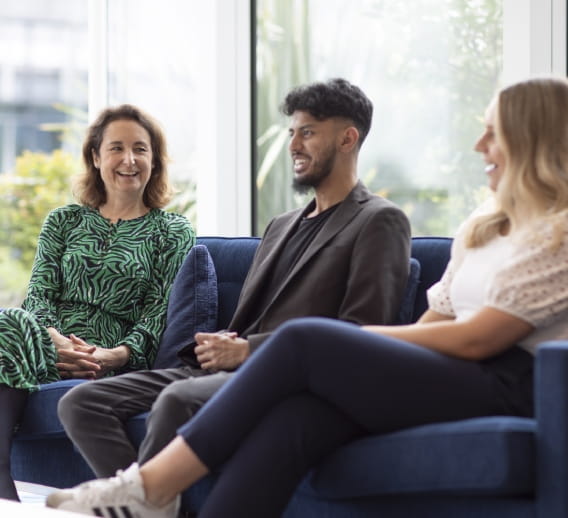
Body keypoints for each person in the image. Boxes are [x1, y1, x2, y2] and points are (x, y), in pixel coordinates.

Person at [47, 76, 568, 518]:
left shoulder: (558, 235)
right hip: (416, 370)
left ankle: (151, 487)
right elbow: (436, 321)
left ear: (533, 139)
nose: (479, 146)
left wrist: (324, 349)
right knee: (296, 422)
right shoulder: (484, 228)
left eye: (493, 133)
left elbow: (477, 339)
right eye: (291, 133)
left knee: (302, 343)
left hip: (505, 379)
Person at [56, 78, 411, 480]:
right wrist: (221, 344)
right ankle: (155, 506)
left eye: (307, 133)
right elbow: (251, 318)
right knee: (80, 402)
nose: (293, 145)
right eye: (291, 132)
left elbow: (360, 333)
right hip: (221, 371)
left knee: (177, 399)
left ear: (348, 139)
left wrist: (247, 351)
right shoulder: (281, 226)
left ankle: (144, 500)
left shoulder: (379, 220)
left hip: (286, 377)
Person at [0, 104, 195, 501]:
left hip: (107, 362)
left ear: (154, 161)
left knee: (7, 328)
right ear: (95, 156)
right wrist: (53, 341)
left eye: (140, 149)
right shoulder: (64, 221)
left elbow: (158, 315)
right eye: (116, 148)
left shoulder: (172, 232)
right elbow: (39, 294)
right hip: (41, 349)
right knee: (11, 322)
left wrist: (109, 355)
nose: (129, 160)